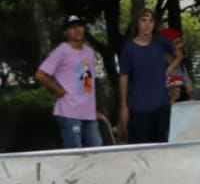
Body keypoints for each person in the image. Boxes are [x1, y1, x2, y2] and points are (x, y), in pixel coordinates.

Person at [35, 15, 106, 148]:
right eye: (72, 28)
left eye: (79, 26)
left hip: (88, 113)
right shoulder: (61, 51)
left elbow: (88, 83)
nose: (77, 30)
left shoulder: (89, 52)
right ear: (65, 32)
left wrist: (94, 109)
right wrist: (57, 90)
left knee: (96, 150)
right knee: (74, 153)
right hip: (69, 111)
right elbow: (40, 75)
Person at [119, 8, 183, 143]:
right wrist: (124, 106)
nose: (147, 24)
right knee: (140, 146)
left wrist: (169, 69)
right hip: (138, 106)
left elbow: (178, 55)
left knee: (161, 144)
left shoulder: (161, 41)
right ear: (137, 23)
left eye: (151, 21)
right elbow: (124, 77)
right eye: (143, 20)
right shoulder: (129, 48)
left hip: (161, 104)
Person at [161, 28, 194, 103]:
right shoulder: (157, 65)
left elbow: (189, 89)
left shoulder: (181, 66)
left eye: (181, 42)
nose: (181, 45)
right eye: (177, 43)